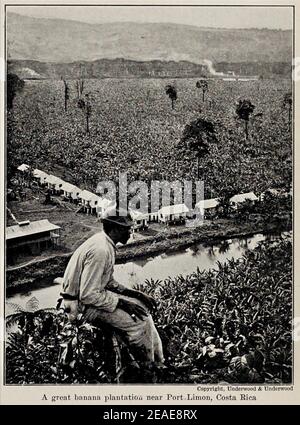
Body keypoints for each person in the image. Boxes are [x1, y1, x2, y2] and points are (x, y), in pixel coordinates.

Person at [60, 207, 164, 366]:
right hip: (81, 307)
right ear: (115, 229)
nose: (130, 233)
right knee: (140, 323)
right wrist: (123, 303)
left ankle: (159, 360)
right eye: (127, 229)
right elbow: (88, 295)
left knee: (142, 310)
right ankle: (146, 365)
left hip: (89, 300)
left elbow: (108, 282)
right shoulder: (100, 250)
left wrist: (137, 295)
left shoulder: (104, 243)